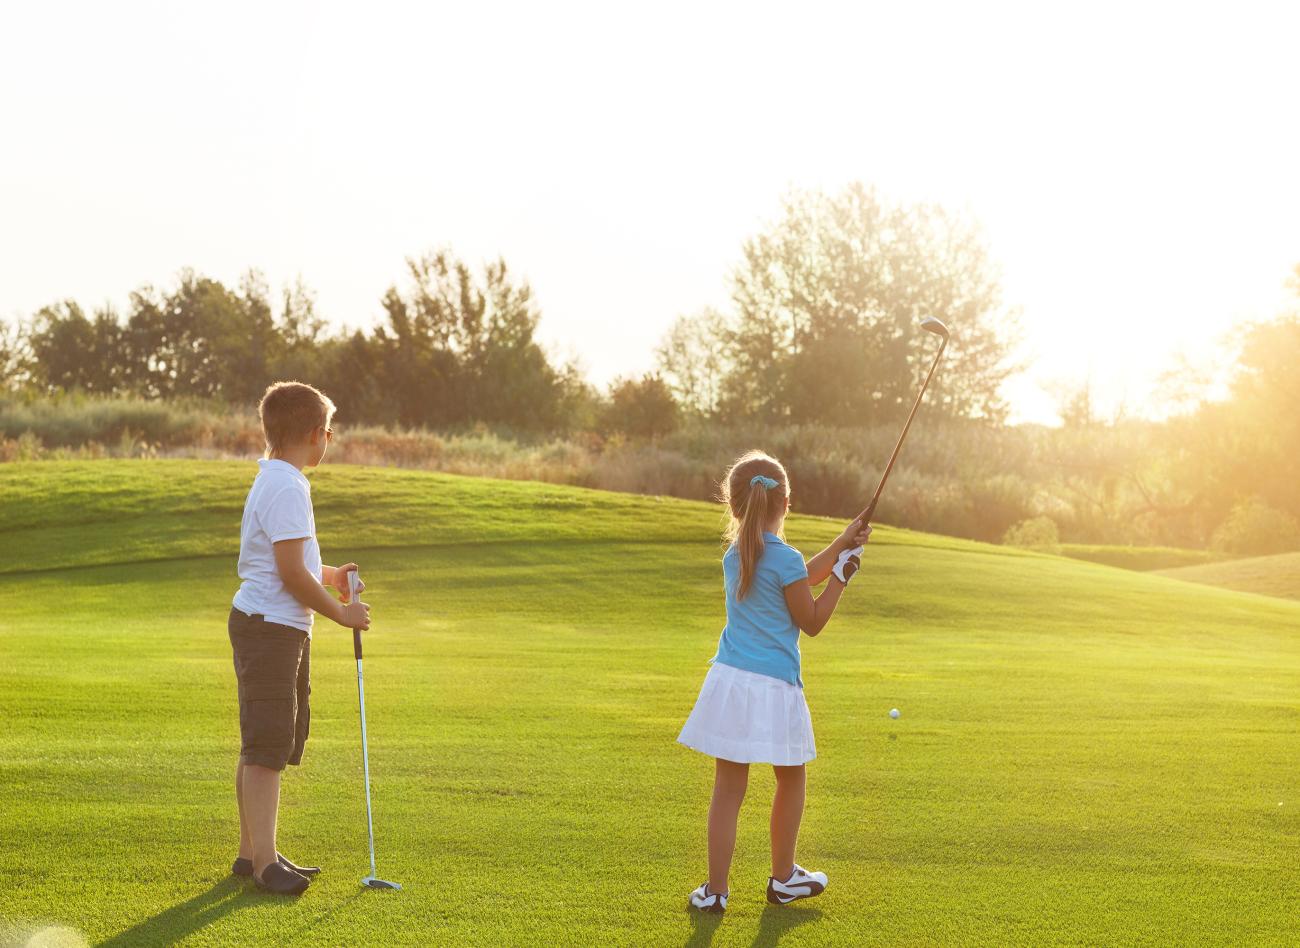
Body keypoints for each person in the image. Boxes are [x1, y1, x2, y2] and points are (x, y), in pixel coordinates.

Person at [679, 450, 870, 913]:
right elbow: (812, 618)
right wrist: (843, 576)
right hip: (776, 689)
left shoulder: (736, 555)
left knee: (728, 790)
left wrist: (842, 541)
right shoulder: (785, 559)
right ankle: (783, 878)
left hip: (731, 684)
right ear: (786, 502)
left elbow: (795, 577)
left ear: (737, 505)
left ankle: (715, 892)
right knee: (791, 779)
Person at [227, 381, 371, 895]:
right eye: (328, 431)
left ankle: (252, 852)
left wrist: (330, 576)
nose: (328, 439)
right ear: (315, 434)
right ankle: (266, 864)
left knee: (265, 741)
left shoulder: (278, 480)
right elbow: (290, 575)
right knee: (267, 746)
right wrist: (343, 614)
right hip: (270, 627)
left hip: (271, 623)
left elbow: (295, 563)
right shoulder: (287, 487)